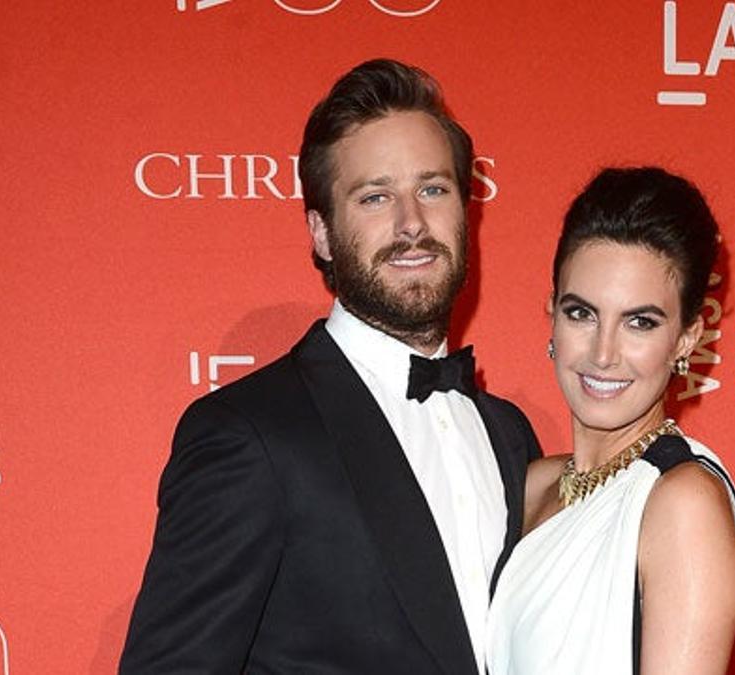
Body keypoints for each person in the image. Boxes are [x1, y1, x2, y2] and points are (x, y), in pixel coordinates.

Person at [120, 59, 540, 674]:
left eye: (433, 189)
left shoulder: (510, 436)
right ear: (321, 232)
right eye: (375, 197)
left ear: (465, 211)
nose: (412, 224)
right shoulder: (251, 434)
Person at [486, 167, 735, 674]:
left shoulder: (682, 503)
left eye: (640, 322)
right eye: (581, 314)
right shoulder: (532, 482)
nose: (603, 354)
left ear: (686, 339)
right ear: (552, 316)